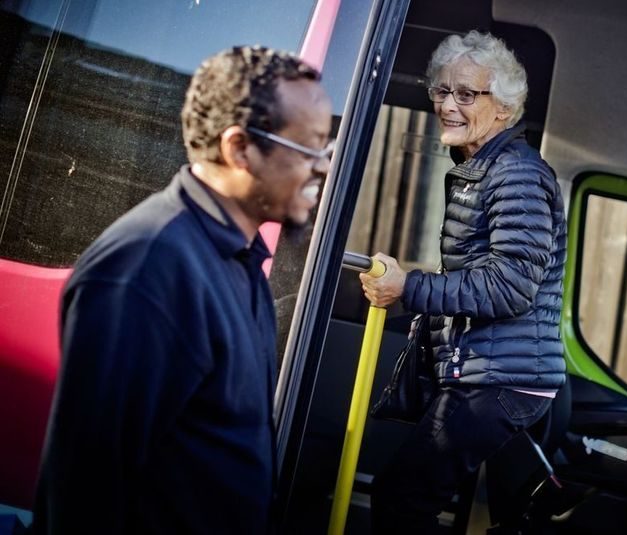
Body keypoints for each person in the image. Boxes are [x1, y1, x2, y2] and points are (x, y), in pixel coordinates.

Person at [31, 46, 332, 535]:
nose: (323, 167)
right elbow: (84, 491)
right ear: (239, 149)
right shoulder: (147, 269)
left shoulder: (239, 256)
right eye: (310, 149)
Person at [361, 30, 567, 532]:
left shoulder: (515, 173)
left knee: (400, 500)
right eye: (442, 90)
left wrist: (408, 287)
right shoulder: (484, 168)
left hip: (501, 379)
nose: (448, 105)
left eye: (467, 94)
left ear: (504, 108)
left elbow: (510, 286)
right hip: (489, 371)